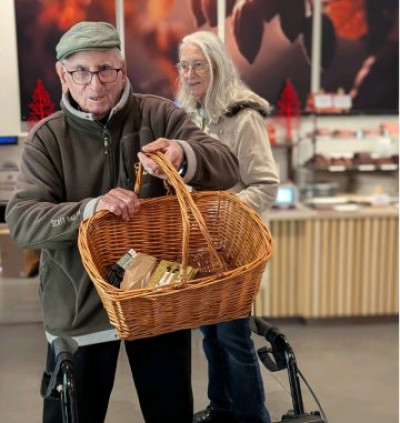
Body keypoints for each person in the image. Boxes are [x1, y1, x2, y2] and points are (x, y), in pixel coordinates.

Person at [5, 22, 240, 423]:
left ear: (123, 69)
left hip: (157, 301)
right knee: (72, 414)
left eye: (105, 70)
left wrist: (183, 154)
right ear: (63, 74)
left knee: (170, 411)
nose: (94, 83)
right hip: (79, 307)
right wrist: (89, 209)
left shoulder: (158, 115)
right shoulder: (48, 138)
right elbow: (24, 221)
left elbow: (228, 167)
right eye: (80, 71)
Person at [175, 31, 279, 423]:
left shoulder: (242, 116)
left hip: (234, 251)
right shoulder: (192, 116)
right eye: (183, 65)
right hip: (202, 249)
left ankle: (252, 417)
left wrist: (223, 215)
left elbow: (265, 184)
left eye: (197, 64)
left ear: (217, 65)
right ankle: (222, 409)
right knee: (210, 336)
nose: (189, 73)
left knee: (234, 339)